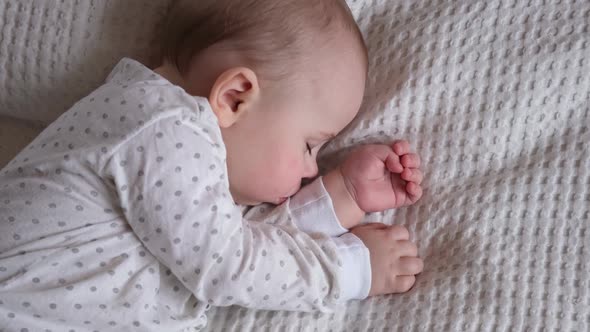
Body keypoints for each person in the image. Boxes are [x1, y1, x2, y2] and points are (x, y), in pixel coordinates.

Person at [0, 0, 424, 330]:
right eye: (310, 145)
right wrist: (350, 270)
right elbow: (230, 265)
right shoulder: (163, 129)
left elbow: (237, 246)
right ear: (235, 96)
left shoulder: (170, 142)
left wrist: (342, 197)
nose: (310, 168)